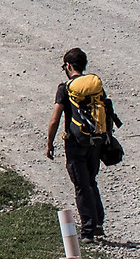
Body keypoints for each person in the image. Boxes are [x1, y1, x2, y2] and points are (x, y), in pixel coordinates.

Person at [44, 47, 111, 237]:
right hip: (95, 141)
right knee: (91, 181)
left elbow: (55, 119)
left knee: (81, 185)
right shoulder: (95, 86)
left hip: (75, 143)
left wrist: (49, 143)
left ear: (68, 66)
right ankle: (97, 223)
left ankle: (88, 230)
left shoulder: (65, 89)